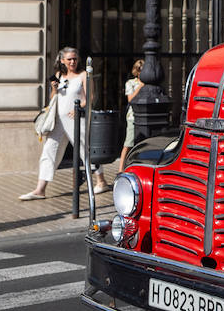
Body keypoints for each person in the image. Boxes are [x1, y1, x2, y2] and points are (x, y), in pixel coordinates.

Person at [20, 47, 103, 200]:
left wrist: (79, 108)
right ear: (62, 60)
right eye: (69, 59)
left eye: (75, 59)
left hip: (76, 119)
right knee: (49, 151)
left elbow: (90, 98)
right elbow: (54, 98)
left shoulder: (84, 75)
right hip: (58, 121)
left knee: (84, 149)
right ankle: (40, 189)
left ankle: (100, 180)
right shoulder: (59, 75)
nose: (72, 61)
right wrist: (53, 89)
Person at [115, 59, 145, 183]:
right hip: (133, 116)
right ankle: (120, 169)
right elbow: (130, 99)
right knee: (128, 143)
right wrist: (140, 87)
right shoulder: (131, 83)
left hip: (144, 116)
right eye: (140, 71)